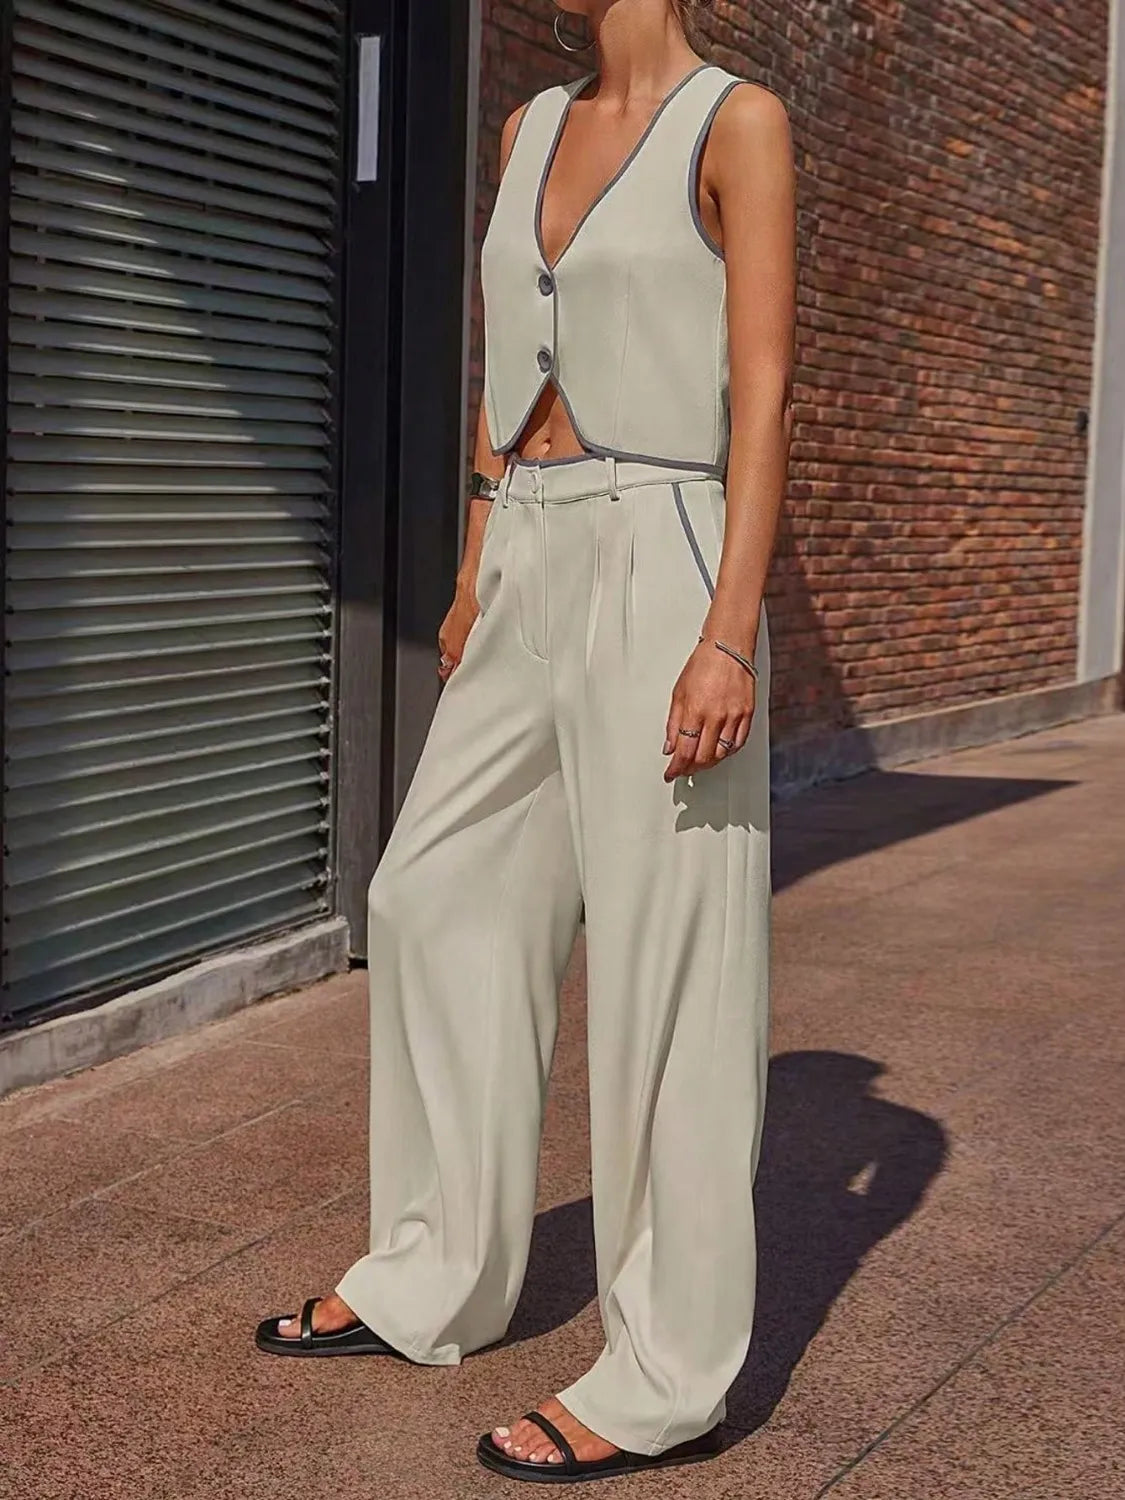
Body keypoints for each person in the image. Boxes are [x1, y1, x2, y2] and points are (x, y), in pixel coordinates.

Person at [255, 0, 796, 1483]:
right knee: (432, 893)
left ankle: (664, 1372)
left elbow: (762, 389)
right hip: (527, 553)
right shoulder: (528, 126)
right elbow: (508, 359)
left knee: (668, 967)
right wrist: (476, 555)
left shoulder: (735, 123)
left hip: (669, 549)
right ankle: (439, 1270)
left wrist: (729, 629)